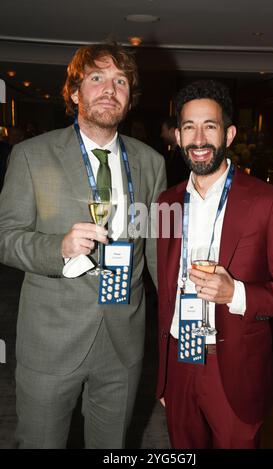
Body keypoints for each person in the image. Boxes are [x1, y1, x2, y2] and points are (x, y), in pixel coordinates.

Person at [0, 42, 166, 448]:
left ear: (129, 97)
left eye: (120, 81)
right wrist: (59, 246)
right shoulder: (30, 156)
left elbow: (158, 250)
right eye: (97, 79)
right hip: (51, 340)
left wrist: (183, 315)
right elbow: (5, 237)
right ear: (75, 92)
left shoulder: (150, 162)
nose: (110, 89)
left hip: (124, 340)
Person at [156, 79, 273, 449]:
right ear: (177, 135)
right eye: (189, 126)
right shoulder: (166, 203)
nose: (199, 139)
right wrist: (165, 376)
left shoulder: (267, 203)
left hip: (233, 368)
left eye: (210, 126)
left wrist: (235, 293)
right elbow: (165, 289)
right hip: (179, 360)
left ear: (229, 134)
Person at [160, 116, 190, 187]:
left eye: (163, 131)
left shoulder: (183, 155)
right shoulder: (172, 153)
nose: (161, 135)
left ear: (173, 131)